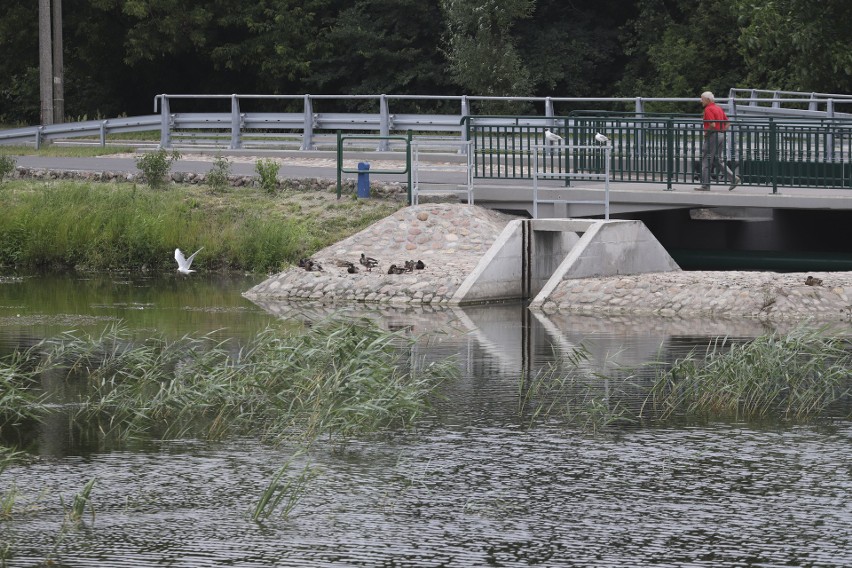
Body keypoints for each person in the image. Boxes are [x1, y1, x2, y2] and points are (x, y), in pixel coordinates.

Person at [695, 91, 740, 191]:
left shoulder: (708, 109)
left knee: (706, 160)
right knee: (717, 160)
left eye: (702, 99)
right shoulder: (718, 108)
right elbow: (728, 123)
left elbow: (712, 124)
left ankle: (705, 185)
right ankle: (733, 178)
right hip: (720, 135)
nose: (700, 101)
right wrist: (722, 131)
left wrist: (707, 133)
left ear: (708, 100)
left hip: (712, 136)